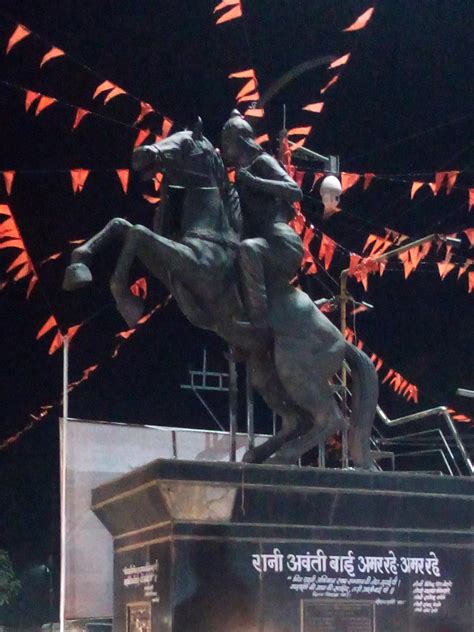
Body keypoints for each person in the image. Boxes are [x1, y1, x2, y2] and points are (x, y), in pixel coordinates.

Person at [221, 110, 304, 340]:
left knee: (248, 249)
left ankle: (259, 323)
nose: (225, 149)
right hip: (260, 242)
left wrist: (255, 182)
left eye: (228, 143)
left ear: (241, 141)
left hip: (280, 241)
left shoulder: (262, 163)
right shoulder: (238, 176)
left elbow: (295, 192)